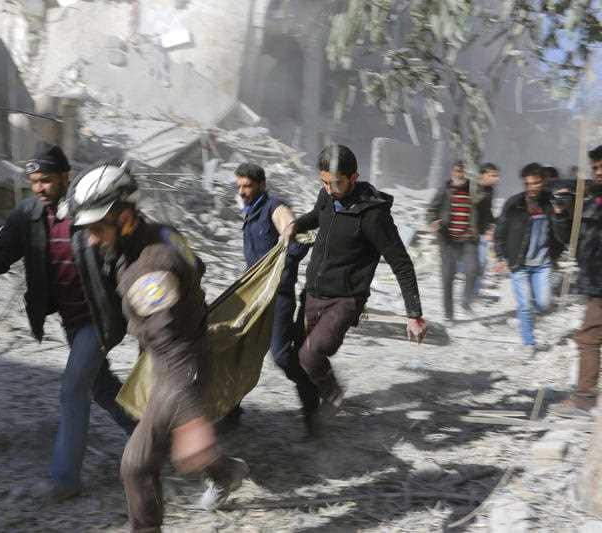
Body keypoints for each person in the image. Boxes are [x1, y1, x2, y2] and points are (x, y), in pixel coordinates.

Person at [0, 145, 134, 500]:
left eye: (46, 180)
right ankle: (150, 439)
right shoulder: (27, 215)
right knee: (101, 387)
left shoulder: (92, 208)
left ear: (65, 177)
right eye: (33, 181)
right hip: (72, 321)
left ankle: (64, 480)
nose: (39, 188)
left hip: (101, 317)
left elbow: (128, 247)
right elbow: (0, 253)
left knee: (72, 389)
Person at [71, 160, 249, 532]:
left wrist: (193, 420)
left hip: (178, 368)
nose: (91, 239)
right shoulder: (163, 233)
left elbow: (173, 350)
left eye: (98, 228)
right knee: (150, 458)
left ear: (124, 216)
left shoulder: (149, 270)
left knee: (135, 466)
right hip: (178, 356)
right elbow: (196, 266)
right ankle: (225, 471)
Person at [283, 144, 427, 422]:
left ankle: (334, 396)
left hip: (345, 300)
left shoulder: (373, 215)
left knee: (311, 355)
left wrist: (414, 314)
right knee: (298, 359)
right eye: (324, 182)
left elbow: (401, 263)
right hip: (313, 293)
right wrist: (296, 225)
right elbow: (317, 217)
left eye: (336, 183)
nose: (329, 189)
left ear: (354, 177)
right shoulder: (326, 196)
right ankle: (314, 419)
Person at [228, 162, 319, 432]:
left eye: (248, 186)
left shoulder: (274, 207)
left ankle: (311, 399)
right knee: (239, 352)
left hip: (277, 295)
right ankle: (231, 411)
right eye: (239, 186)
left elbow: (297, 235)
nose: (243, 191)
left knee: (280, 355)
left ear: (262, 185)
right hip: (254, 294)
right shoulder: (249, 212)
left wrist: (284, 264)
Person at [494, 163, 565, 356]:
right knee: (524, 305)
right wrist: (500, 257)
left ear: (543, 182)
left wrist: (560, 215)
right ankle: (528, 342)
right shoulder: (514, 203)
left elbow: (562, 235)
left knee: (543, 304)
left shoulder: (552, 203)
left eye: (536, 183)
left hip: (542, 264)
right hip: (519, 264)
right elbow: (500, 231)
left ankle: (531, 314)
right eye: (528, 183)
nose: (532, 187)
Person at [551, 145, 602, 416]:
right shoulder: (592, 203)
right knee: (589, 337)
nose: (599, 172)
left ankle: (584, 398)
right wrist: (561, 212)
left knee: (589, 337)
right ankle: (584, 397)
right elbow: (570, 240)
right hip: (596, 282)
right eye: (595, 168)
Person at [426, 160, 493, 320]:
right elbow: (431, 210)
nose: (459, 174)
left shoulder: (473, 191)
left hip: (468, 239)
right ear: (452, 172)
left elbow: (485, 211)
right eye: (457, 171)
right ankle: (449, 315)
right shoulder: (445, 189)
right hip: (448, 240)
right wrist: (433, 221)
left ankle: (465, 300)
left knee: (473, 269)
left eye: (462, 172)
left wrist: (490, 226)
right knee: (448, 276)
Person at [475, 163, 500, 296]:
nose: (497, 179)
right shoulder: (472, 187)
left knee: (482, 262)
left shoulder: (490, 190)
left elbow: (487, 210)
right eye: (493, 175)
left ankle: (474, 292)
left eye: (497, 176)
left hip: (482, 232)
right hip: (467, 232)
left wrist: (493, 223)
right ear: (482, 175)